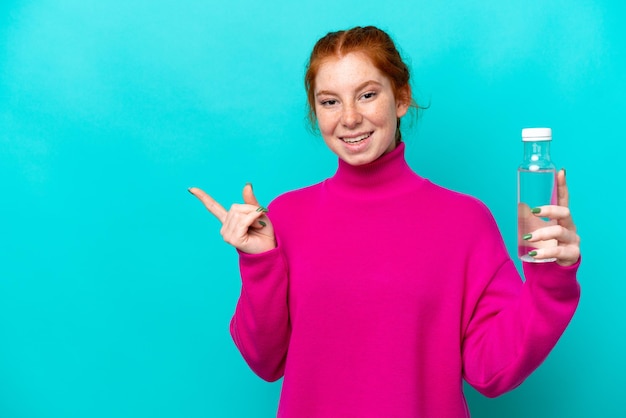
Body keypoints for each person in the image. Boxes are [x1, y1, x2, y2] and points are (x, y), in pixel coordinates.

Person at [189, 26, 581, 417]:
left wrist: (552, 281)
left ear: (402, 98)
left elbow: (490, 371)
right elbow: (265, 361)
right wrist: (260, 263)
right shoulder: (285, 219)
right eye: (329, 102)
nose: (350, 118)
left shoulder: (465, 221)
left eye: (367, 95)